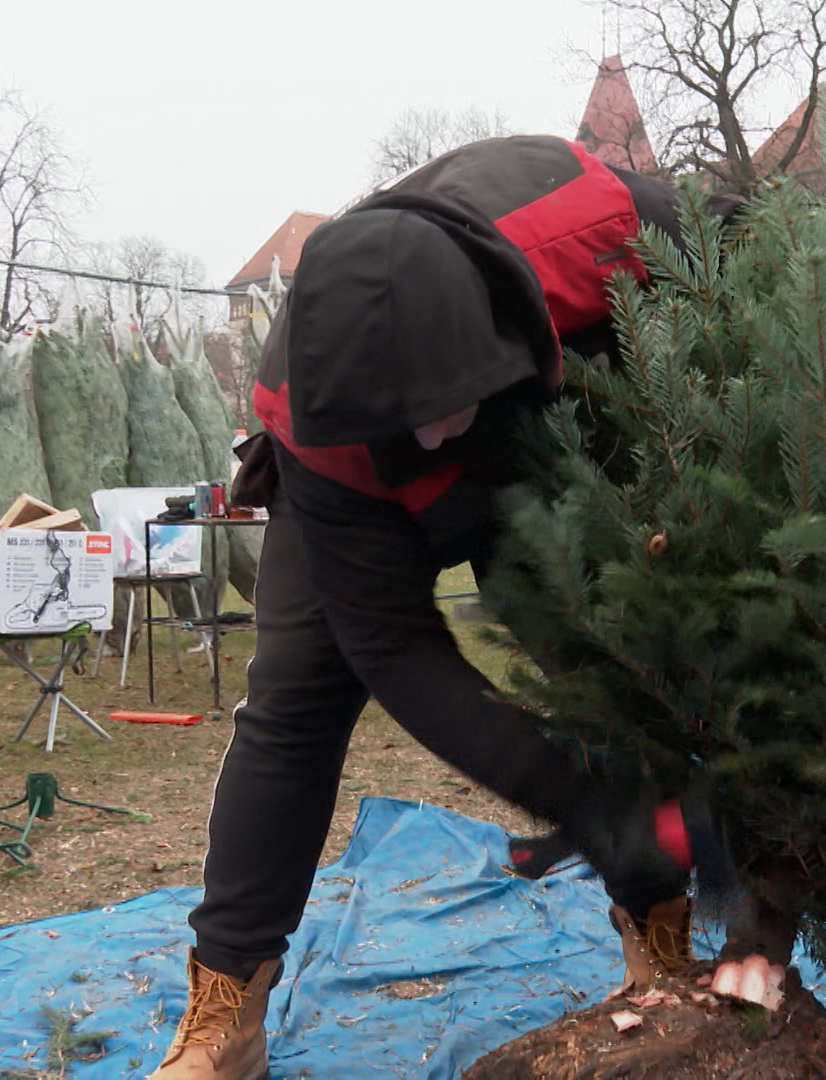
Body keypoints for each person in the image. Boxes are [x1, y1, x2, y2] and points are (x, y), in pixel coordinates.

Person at [148, 136, 738, 1080]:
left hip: (551, 437)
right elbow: (395, 649)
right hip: (350, 492)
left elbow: (768, 296)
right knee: (298, 694)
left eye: (435, 411)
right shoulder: (319, 396)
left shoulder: (612, 235)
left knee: (610, 659)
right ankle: (228, 1012)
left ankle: (657, 940)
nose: (423, 438)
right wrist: (585, 801)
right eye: (404, 423)